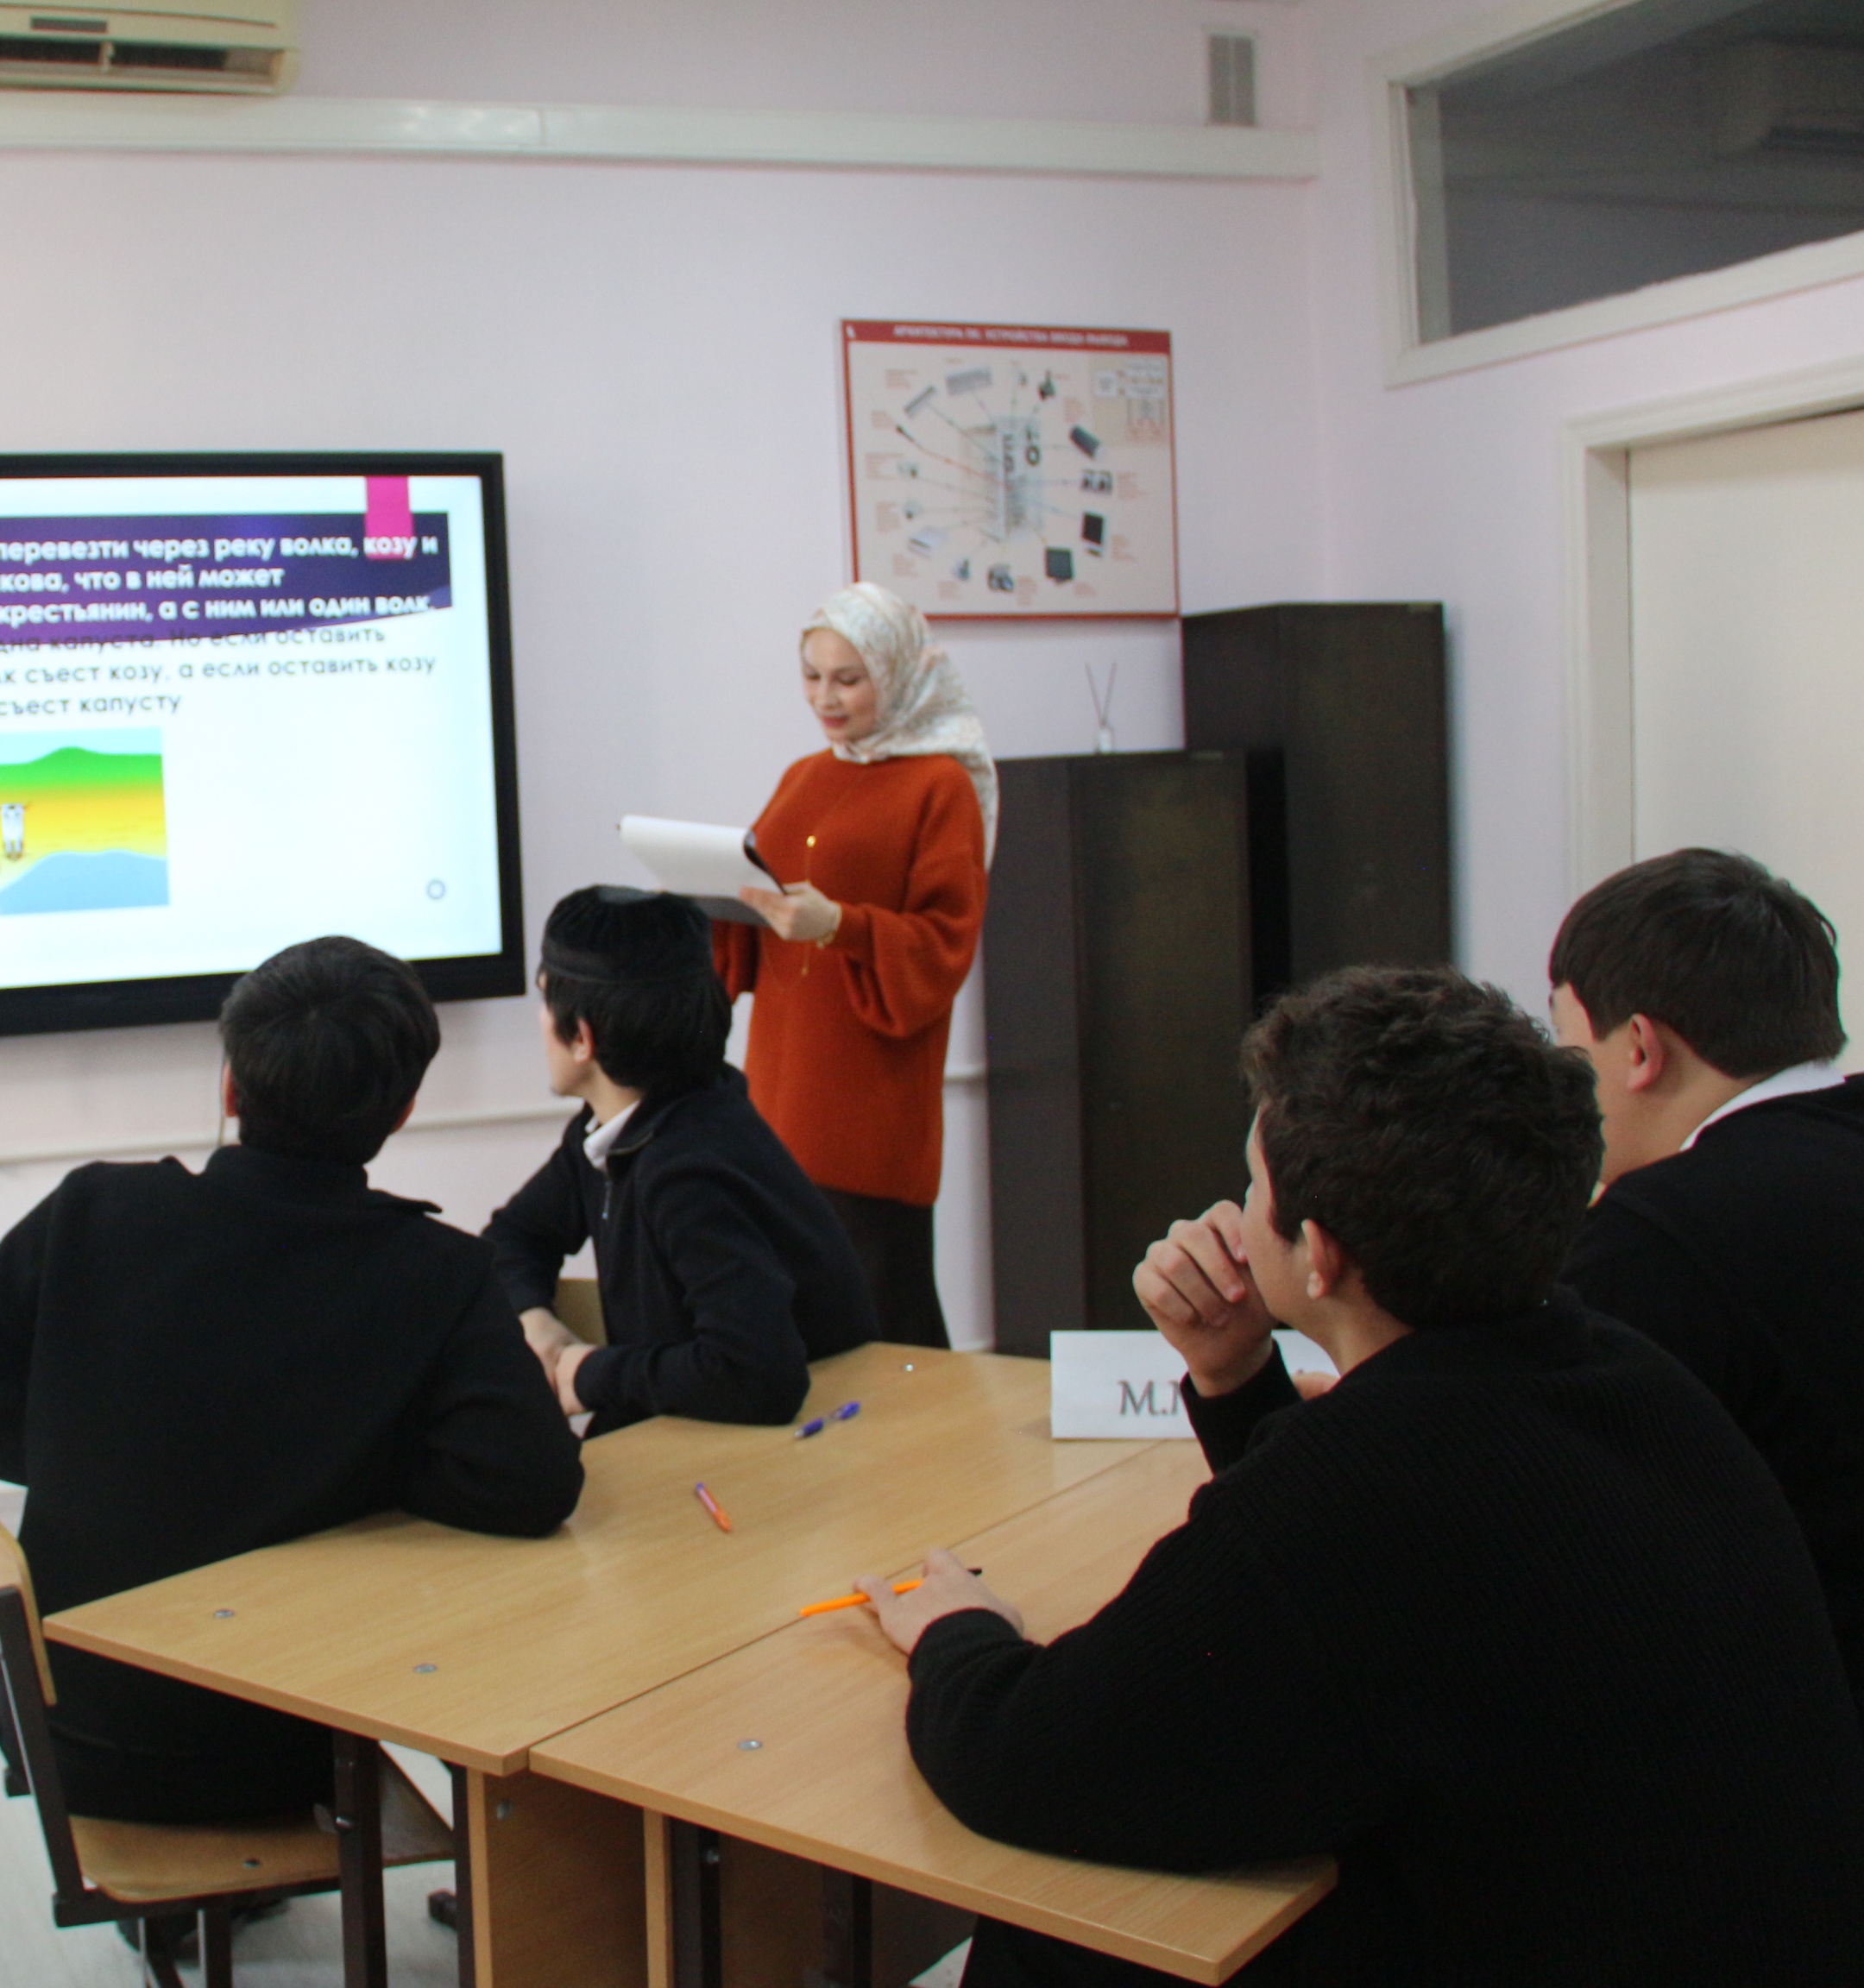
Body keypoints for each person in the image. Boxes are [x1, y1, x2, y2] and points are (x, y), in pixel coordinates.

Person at [869, 966, 1864, 1985]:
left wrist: (955, 1630)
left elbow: (1026, 1761)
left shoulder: (1363, 1486)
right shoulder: (1624, 1376)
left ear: (1321, 1254)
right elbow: (1360, 1606)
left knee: (1055, 1939)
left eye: (1253, 1185)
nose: (1235, 1214)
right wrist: (1235, 1375)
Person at [0, 936, 583, 1824]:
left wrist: (109, 1445)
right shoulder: (436, 1272)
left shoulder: (93, 1211)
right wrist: (342, 1471)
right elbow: (532, 1486)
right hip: (284, 1756)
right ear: (402, 1111)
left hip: (65, 1742)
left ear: (232, 1087)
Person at [1547, 847, 1864, 1708]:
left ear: (1639, 1048)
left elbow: (1541, 1542)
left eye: (1569, 1048)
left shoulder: (1659, 1238)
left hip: (1798, 1745)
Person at [715, 582, 992, 1347]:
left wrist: (841, 925)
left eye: (848, 679)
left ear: (897, 674)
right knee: (800, 1318)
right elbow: (764, 911)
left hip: (870, 1100)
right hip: (782, 1088)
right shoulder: (803, 775)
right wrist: (709, 895)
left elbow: (945, 940)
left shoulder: (941, 785)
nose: (824, 698)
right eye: (811, 676)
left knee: (883, 1316)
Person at [490, 885, 873, 1431]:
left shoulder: (691, 1169)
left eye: (545, 998)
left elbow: (759, 1375)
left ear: (582, 1038)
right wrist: (536, 1320)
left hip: (803, 1449)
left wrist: (589, 1373)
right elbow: (511, 1237)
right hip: (702, 1429)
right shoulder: (612, 1131)